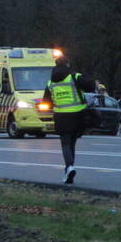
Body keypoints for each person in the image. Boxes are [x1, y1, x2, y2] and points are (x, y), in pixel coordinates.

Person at [41, 56, 98, 184]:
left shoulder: (50, 83)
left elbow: (46, 102)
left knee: (65, 143)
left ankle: (69, 167)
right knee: (72, 142)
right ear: (67, 64)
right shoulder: (74, 76)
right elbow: (90, 86)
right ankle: (68, 169)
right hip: (78, 114)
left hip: (61, 116)